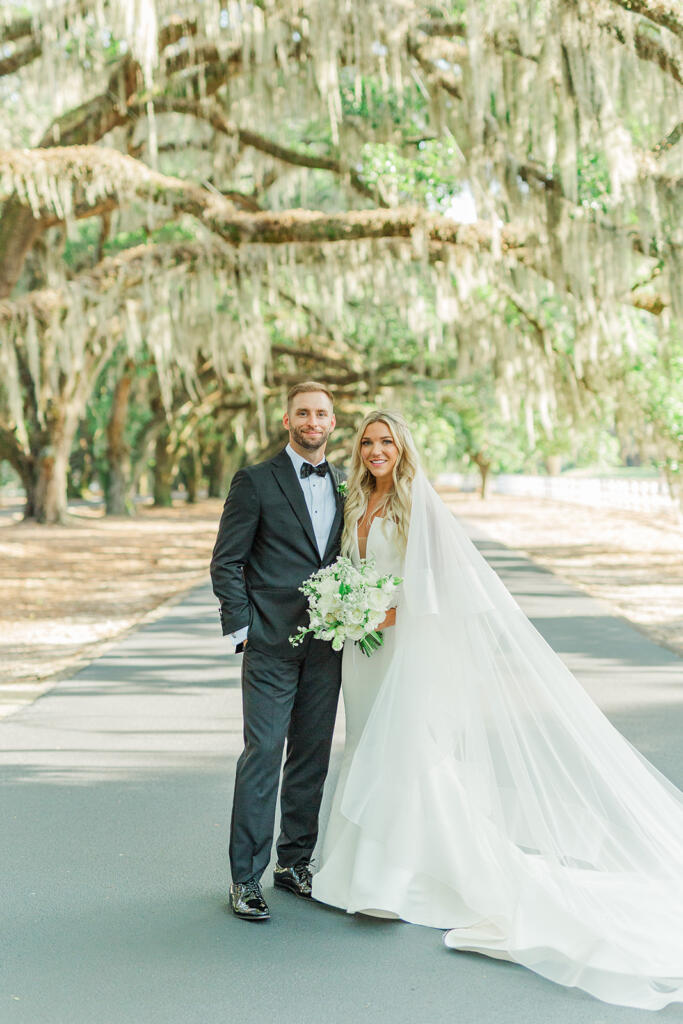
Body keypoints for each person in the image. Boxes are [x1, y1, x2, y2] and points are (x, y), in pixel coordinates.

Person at [312, 409, 683, 1011]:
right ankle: (360, 870)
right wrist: (346, 610)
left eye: (386, 442)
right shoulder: (355, 504)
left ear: (403, 450)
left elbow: (436, 586)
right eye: (368, 442)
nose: (376, 450)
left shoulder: (417, 507)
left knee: (407, 752)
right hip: (362, 651)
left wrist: (382, 614)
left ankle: (400, 876)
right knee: (365, 743)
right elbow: (351, 572)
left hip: (402, 647)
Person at [211, 382, 346, 921]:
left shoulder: (344, 483)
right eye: (303, 413)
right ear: (287, 421)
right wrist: (240, 628)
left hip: (328, 644)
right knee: (263, 754)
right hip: (269, 641)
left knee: (311, 756)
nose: (313, 421)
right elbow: (227, 560)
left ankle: (294, 864)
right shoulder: (256, 481)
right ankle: (245, 878)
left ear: (333, 423)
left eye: (322, 413)